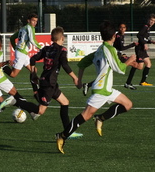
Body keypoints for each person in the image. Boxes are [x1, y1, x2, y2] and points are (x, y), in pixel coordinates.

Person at [55, 20, 137, 154]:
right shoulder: (108, 49)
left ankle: (100, 118)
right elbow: (120, 68)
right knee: (85, 116)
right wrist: (130, 60)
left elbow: (82, 62)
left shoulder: (101, 49)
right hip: (101, 90)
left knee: (127, 104)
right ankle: (62, 136)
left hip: (107, 89)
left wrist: (79, 80)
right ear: (114, 36)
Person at [30, 26, 83, 139]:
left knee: (65, 102)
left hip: (50, 83)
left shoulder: (46, 49)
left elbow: (32, 59)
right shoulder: (62, 50)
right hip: (49, 84)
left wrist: (33, 71)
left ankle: (68, 132)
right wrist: (75, 78)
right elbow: (64, 65)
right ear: (62, 38)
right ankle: (18, 102)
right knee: (40, 110)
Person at [0, 33, 39, 126]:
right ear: (0, 45)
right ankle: (32, 112)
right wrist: (5, 63)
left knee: (1, 105)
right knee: (17, 96)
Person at [82, 22, 138, 95]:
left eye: (124, 27)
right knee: (136, 65)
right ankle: (128, 83)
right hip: (115, 55)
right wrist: (132, 45)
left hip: (118, 54)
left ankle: (88, 85)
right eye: (121, 27)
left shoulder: (121, 36)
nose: (122, 29)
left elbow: (119, 48)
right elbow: (120, 48)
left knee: (106, 74)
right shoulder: (117, 36)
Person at [10, 13, 42, 96]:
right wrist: (41, 48)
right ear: (28, 20)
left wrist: (15, 48)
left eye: (36, 21)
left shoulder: (23, 28)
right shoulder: (30, 28)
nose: (35, 23)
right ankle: (2, 66)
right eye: (33, 20)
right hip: (21, 54)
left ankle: (36, 91)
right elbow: (32, 40)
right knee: (13, 74)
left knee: (34, 70)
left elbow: (12, 38)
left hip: (22, 53)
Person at [124, 14, 155, 90]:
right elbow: (139, 35)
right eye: (151, 20)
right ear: (148, 20)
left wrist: (150, 41)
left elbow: (143, 38)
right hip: (139, 49)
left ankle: (143, 81)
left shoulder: (148, 28)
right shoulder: (145, 27)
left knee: (148, 64)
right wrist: (145, 43)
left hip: (143, 49)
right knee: (139, 67)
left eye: (154, 21)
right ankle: (128, 63)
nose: (152, 22)